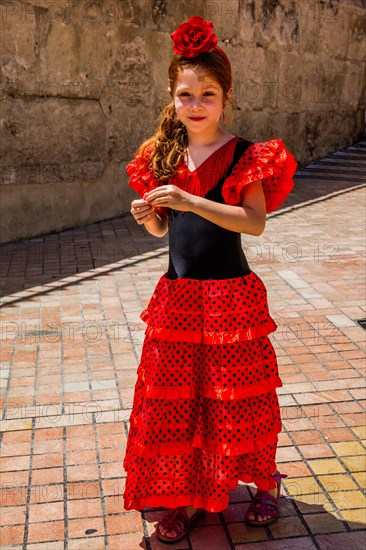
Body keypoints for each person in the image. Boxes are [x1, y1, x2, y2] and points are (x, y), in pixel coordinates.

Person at [123, 15, 298, 545]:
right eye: (185, 94)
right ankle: (189, 496)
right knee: (179, 402)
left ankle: (262, 484)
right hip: (177, 297)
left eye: (207, 93)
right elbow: (165, 232)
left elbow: (255, 222)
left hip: (231, 299)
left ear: (226, 97)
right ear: (171, 97)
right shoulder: (162, 156)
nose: (195, 103)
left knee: (237, 399)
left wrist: (190, 200)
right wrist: (151, 217)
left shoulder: (247, 154)